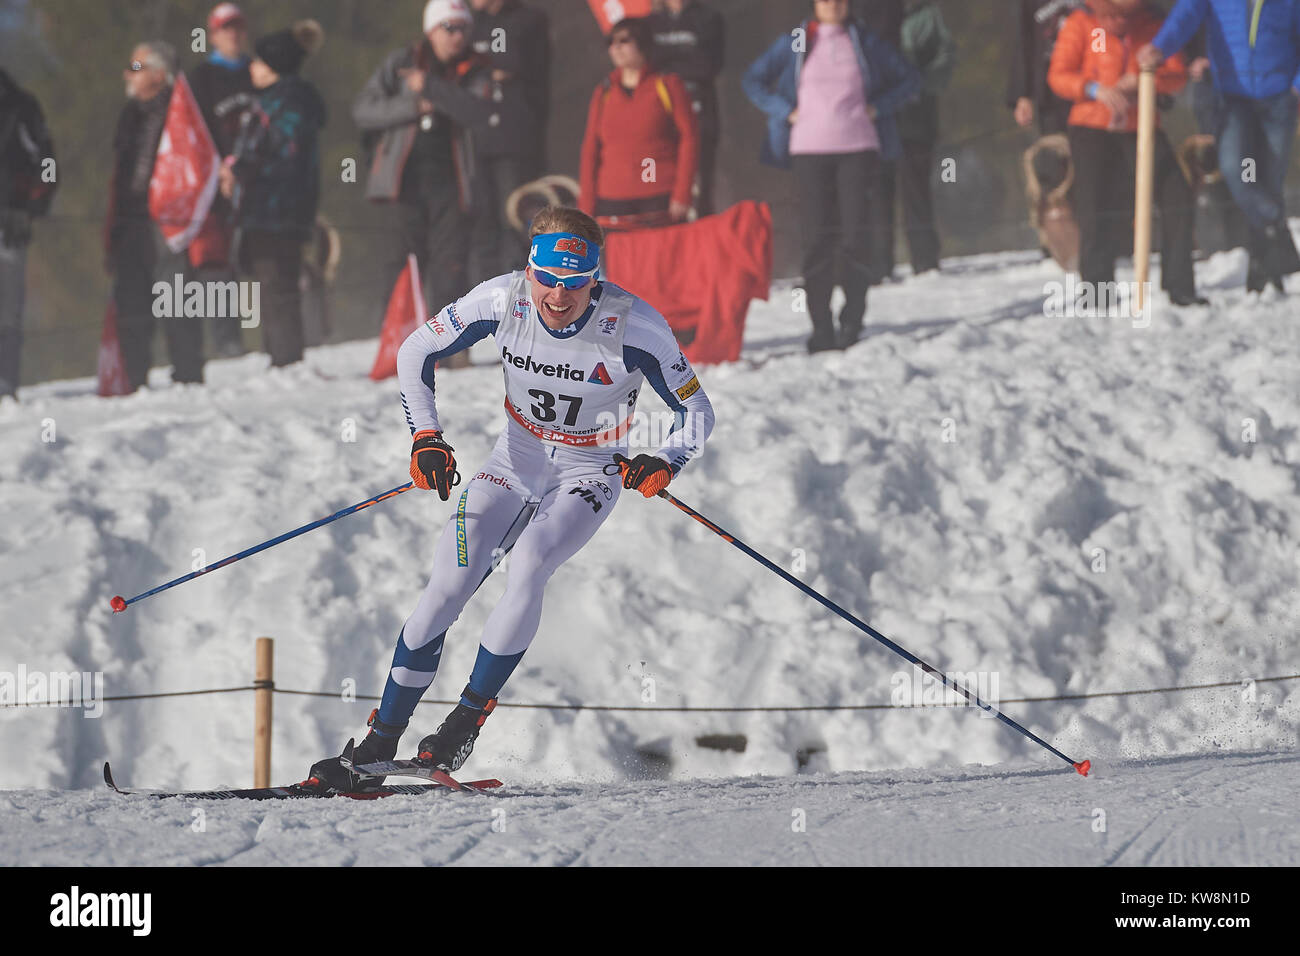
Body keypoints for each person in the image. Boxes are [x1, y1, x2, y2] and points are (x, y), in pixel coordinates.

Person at [305, 206, 715, 789]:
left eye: (574, 283)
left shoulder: (636, 326)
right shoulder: (503, 299)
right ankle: (379, 742)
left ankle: (464, 723)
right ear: (530, 269)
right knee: (446, 587)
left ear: (594, 278)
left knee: (529, 565)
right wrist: (425, 436)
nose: (557, 295)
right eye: (547, 277)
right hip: (511, 464)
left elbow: (696, 410)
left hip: (588, 471)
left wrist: (665, 459)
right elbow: (415, 351)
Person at [742, 0, 921, 352]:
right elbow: (753, 79)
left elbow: (910, 79)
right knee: (817, 240)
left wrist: (878, 107)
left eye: (840, 0)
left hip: (858, 148)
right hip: (809, 151)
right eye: (826, 0)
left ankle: (852, 322)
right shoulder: (796, 40)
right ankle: (821, 327)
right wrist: (784, 110)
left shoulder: (864, 40)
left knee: (855, 238)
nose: (834, 5)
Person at [355, 0, 494, 369]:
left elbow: (479, 111)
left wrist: (432, 89)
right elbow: (364, 110)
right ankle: (399, 343)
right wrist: (413, 105)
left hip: (454, 182)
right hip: (404, 182)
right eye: (448, 28)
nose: (457, 36)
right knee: (404, 263)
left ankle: (452, 347)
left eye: (463, 28)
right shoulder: (401, 62)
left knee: (450, 264)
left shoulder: (476, 68)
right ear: (431, 29)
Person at [1048, 0, 1206, 307]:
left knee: (1176, 196)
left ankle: (1180, 286)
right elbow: (1058, 75)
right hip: (1091, 127)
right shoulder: (1080, 24)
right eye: (1111, 13)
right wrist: (1093, 89)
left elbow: (1177, 73)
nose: (1118, 21)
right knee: (1095, 206)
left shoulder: (1152, 27)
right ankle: (1098, 291)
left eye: (1126, 14)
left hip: (1142, 126)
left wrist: (1144, 80)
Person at [1137, 0, 1300, 294]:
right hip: (1233, 100)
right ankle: (1274, 220)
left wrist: (1297, 86)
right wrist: (1161, 47)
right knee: (1240, 171)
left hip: (1278, 100)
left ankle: (1264, 275)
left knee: (1266, 181)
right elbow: (1185, 16)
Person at [220, 19, 326, 368]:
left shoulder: (290, 102)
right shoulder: (271, 100)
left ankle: (286, 358)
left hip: (279, 210)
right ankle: (279, 355)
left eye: (259, 61)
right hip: (266, 210)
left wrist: (242, 171)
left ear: (275, 65)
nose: (252, 67)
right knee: (270, 285)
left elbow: (285, 155)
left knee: (278, 286)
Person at [107, 41, 206, 390]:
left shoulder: (182, 110)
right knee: (132, 299)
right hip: (131, 220)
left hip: (168, 220)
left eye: (136, 68)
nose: (127, 75)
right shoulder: (130, 113)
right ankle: (133, 379)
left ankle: (188, 375)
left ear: (159, 74)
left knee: (176, 297)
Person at [579, 17, 699, 231]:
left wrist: (682, 193)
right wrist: (586, 206)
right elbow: (590, 149)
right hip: (611, 200)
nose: (615, 48)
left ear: (643, 44)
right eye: (611, 42)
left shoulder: (668, 85)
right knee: (618, 265)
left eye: (624, 40)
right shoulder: (603, 92)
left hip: (659, 197)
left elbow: (689, 138)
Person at [468, 0, 551, 280]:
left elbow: (514, 65)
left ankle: (526, 288)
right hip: (477, 138)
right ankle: (488, 299)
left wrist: (488, 72)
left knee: (516, 218)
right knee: (482, 223)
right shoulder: (470, 22)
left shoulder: (528, 19)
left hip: (517, 137)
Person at [189, 2, 253, 358]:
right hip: (215, 185)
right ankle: (226, 341)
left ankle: (281, 337)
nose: (233, 33)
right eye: (225, 27)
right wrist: (216, 171)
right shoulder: (201, 78)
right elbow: (193, 133)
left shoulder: (258, 70)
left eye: (238, 26)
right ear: (213, 35)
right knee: (217, 263)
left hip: (259, 181)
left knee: (263, 257)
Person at [882, 0, 955, 279]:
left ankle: (925, 261)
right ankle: (879, 264)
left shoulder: (928, 14)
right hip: (877, 115)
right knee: (877, 189)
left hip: (917, 114)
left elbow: (946, 54)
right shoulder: (865, 11)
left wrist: (920, 84)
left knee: (916, 188)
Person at [0, 68, 56, 401]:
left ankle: (4, 385)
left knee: (6, 309)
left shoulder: (20, 105)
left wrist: (31, 207)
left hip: (9, 224)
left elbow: (47, 162)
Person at [648, 0, 726, 217]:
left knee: (700, 188)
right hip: (660, 118)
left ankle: (701, 244)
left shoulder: (709, 18)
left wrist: (668, 62)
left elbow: (708, 66)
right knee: (656, 185)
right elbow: (647, 67)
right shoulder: (649, 23)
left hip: (700, 113)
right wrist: (685, 55)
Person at [1008, 1, 1085, 135]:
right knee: (1057, 147)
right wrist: (1023, 95)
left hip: (1094, 87)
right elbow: (1023, 42)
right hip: (1050, 93)